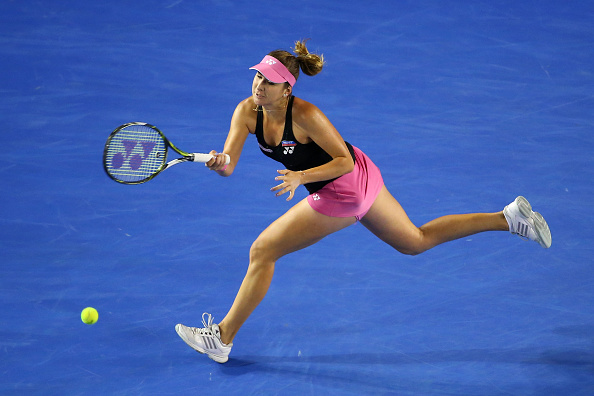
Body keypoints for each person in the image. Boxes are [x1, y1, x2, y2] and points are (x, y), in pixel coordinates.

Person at [175, 40, 552, 363]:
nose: (259, 85)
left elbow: (343, 160)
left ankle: (221, 338)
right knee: (415, 241)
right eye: (258, 76)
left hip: (345, 186)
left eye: (269, 81)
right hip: (352, 181)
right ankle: (509, 218)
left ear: (286, 90)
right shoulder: (245, 111)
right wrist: (218, 161)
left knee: (263, 251)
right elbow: (229, 166)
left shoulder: (306, 115)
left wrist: (300, 177)